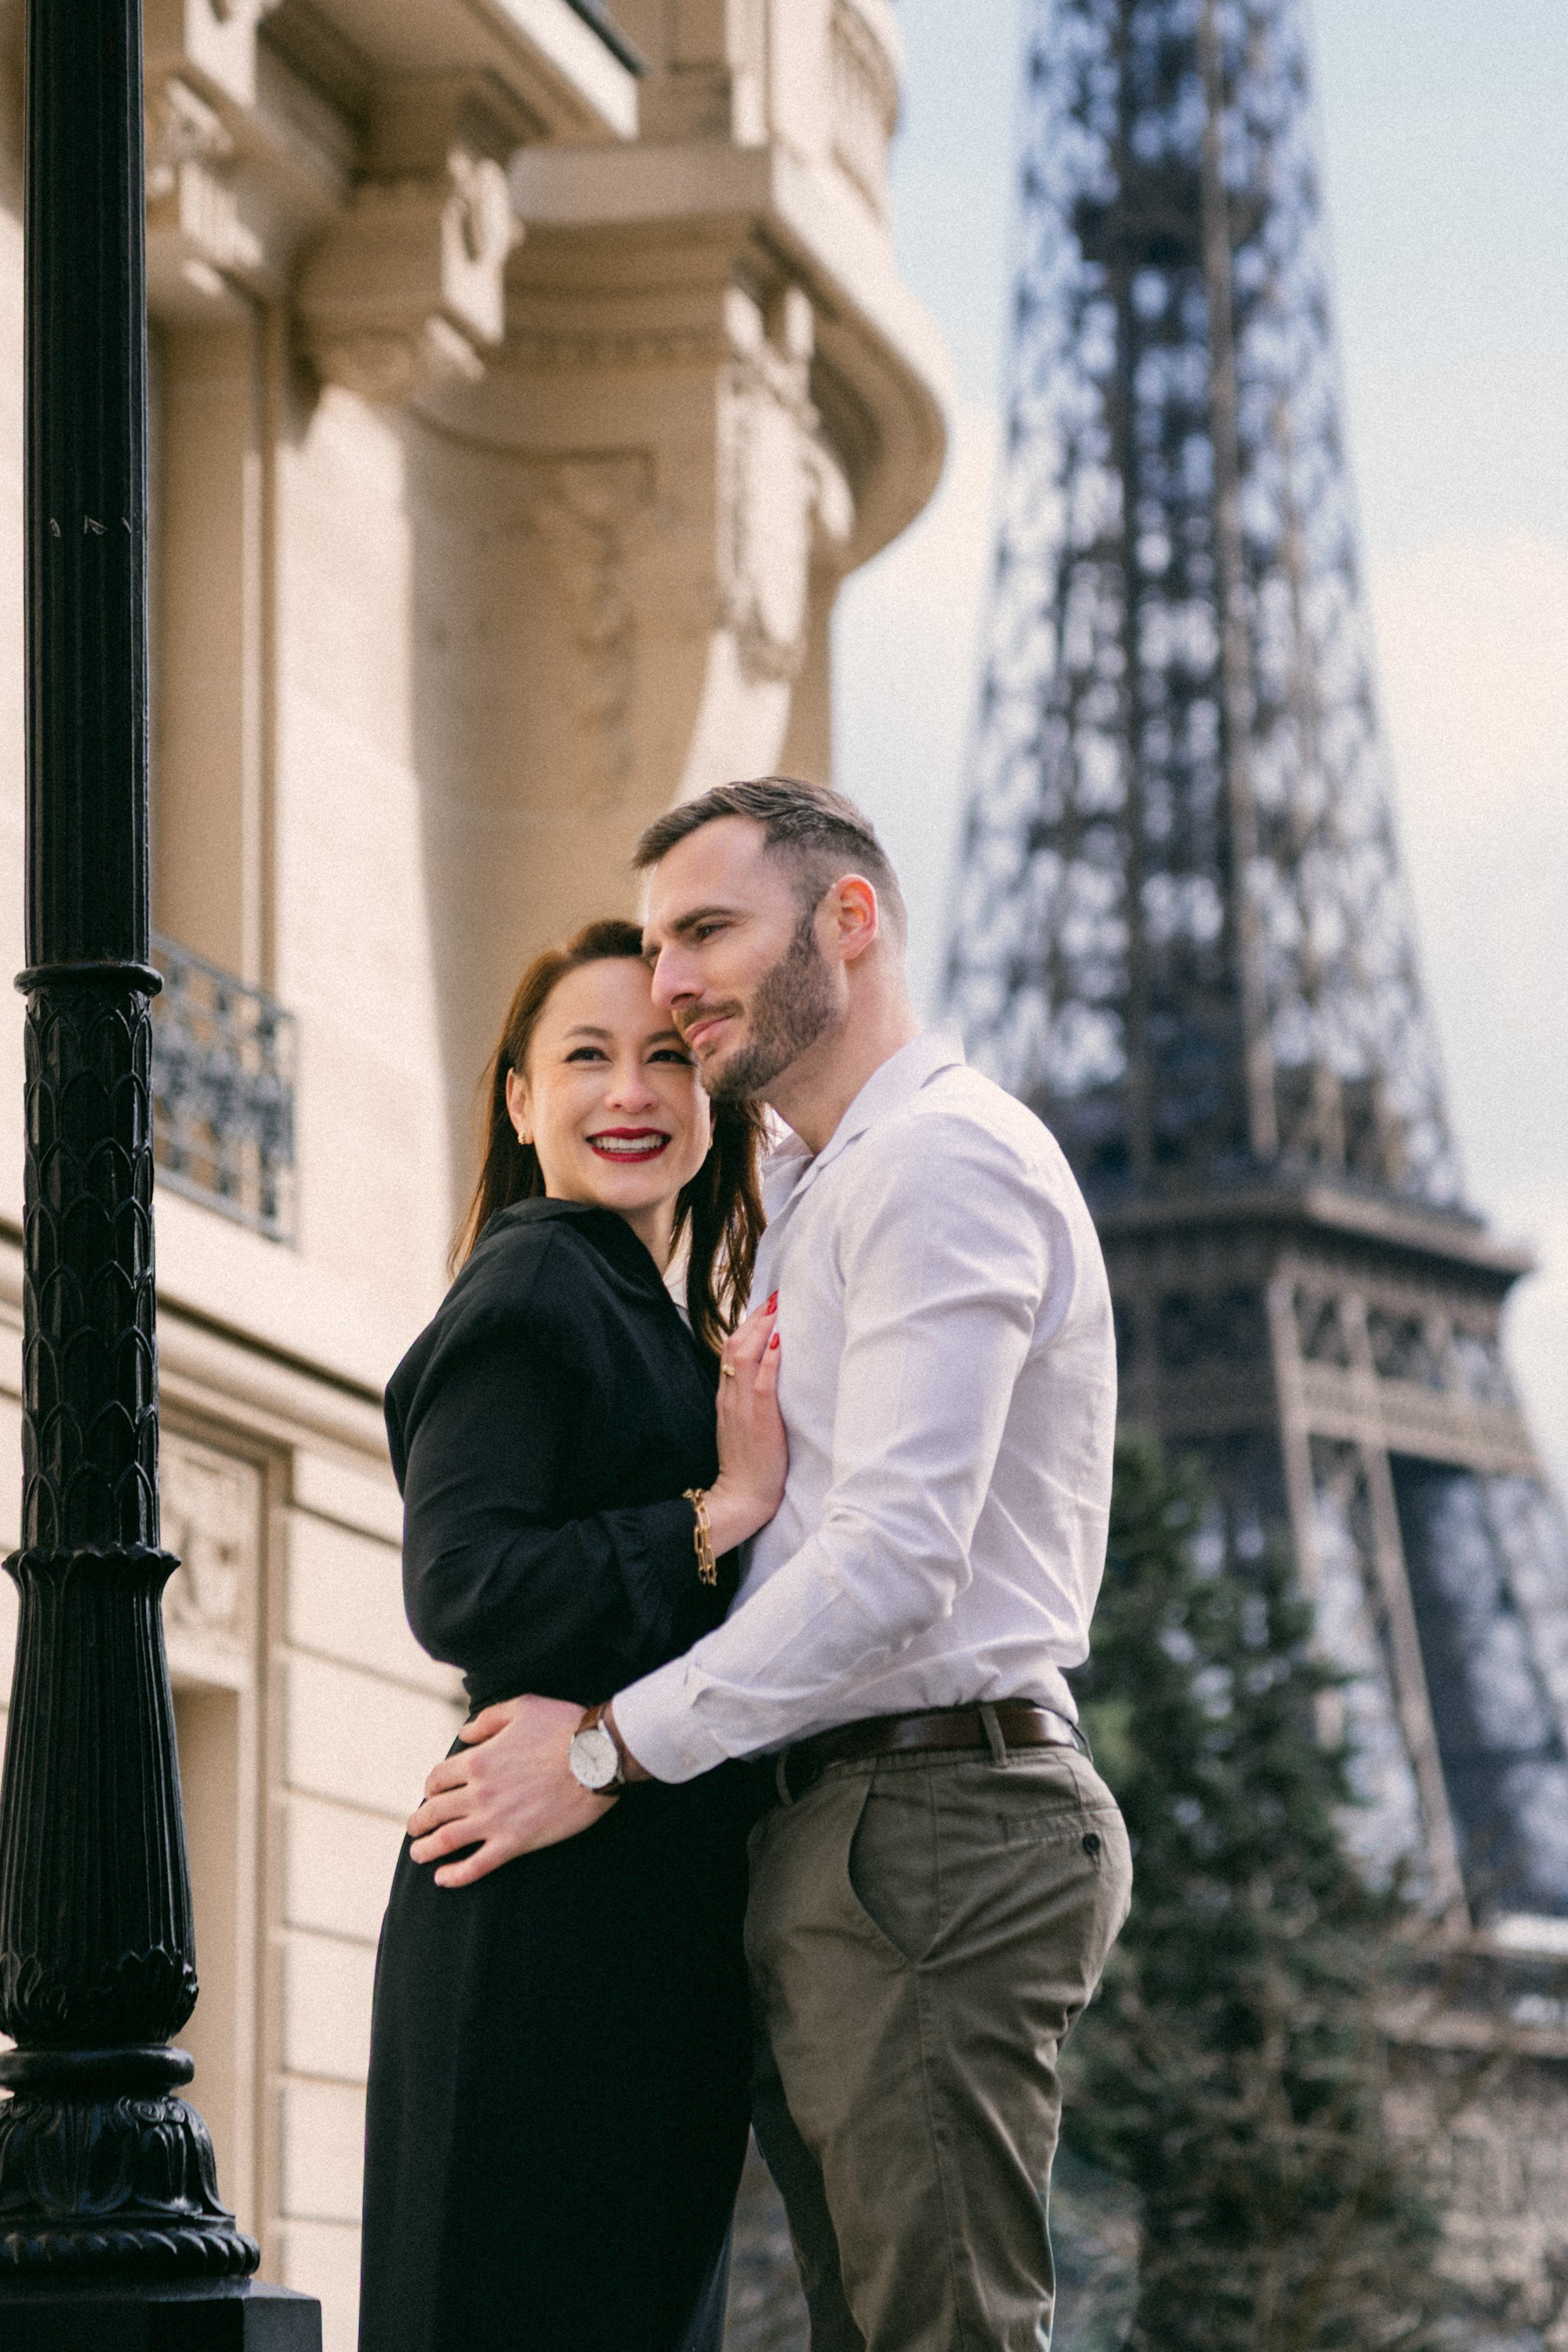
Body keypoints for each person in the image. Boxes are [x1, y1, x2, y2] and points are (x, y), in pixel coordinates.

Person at [406, 784, 1134, 2352]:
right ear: (517, 1097)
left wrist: (606, 1747)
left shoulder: (935, 1164)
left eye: (706, 934)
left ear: (848, 921)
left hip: (928, 1816)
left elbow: (891, 1564)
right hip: (846, 1829)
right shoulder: (806, 1195)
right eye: (656, 944)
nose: (669, 981)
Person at [358, 917, 787, 2352]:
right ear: (520, 1101)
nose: (632, 1093)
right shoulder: (540, 1274)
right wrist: (709, 1516)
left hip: (624, 1911)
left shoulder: (655, 1314)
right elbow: (462, 1585)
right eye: (586, 1057)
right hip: (548, 1923)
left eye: (668, 1056)